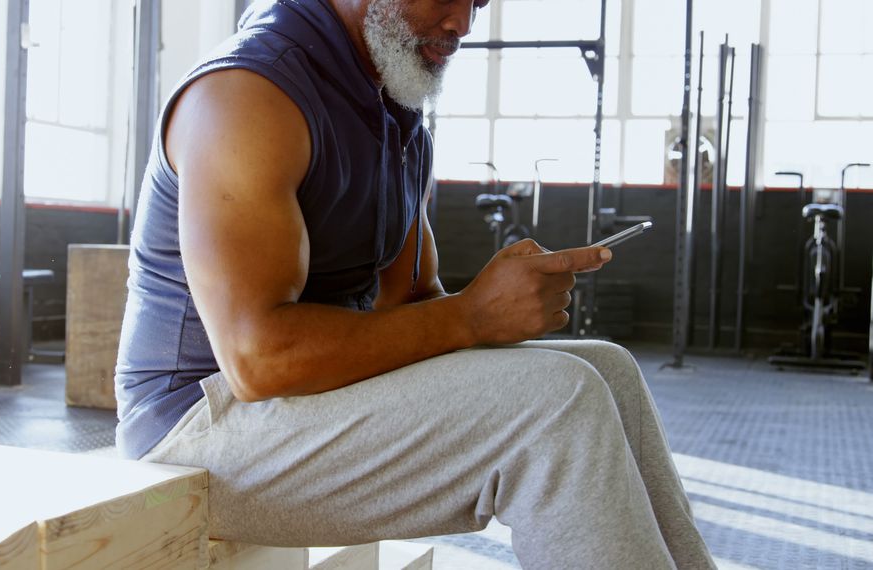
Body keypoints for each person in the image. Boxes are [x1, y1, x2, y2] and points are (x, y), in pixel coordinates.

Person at [115, 0, 716, 567]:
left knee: (609, 371)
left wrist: (501, 304)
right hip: (195, 427)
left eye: (478, 2)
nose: (463, 22)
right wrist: (473, 316)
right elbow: (259, 359)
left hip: (299, 406)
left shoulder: (393, 113)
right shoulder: (249, 95)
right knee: (558, 403)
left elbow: (413, 305)